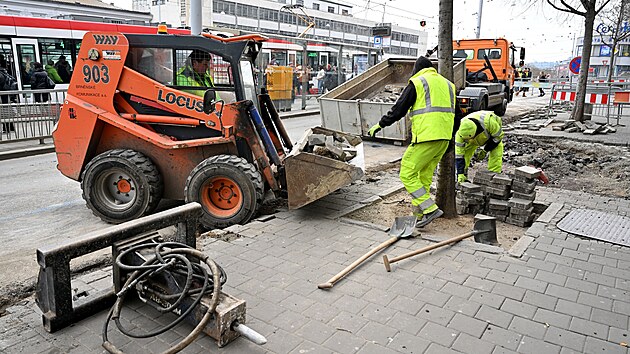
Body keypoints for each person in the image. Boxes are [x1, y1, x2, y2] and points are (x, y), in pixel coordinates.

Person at [367, 56, 456, 228]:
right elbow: (457, 115)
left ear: (416, 69)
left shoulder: (418, 82)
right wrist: (450, 139)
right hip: (443, 139)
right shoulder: (448, 85)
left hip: (426, 137)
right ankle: (418, 215)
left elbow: (399, 108)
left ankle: (430, 210)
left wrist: (380, 124)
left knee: (406, 173)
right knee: (424, 177)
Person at [455, 110, 504, 184]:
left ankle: (494, 178)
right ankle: (463, 177)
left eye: (470, 138)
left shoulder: (490, 122)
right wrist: (460, 173)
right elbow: (459, 155)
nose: (469, 140)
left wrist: (485, 150)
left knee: (496, 152)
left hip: (491, 136)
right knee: (465, 153)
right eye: (467, 139)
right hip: (472, 137)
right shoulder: (460, 134)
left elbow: (498, 138)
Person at [0, 58, 18, 132]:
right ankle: (9, 127)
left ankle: (7, 127)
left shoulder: (1, 74)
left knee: (4, 111)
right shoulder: (5, 72)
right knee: (6, 111)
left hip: (2, 95)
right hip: (6, 95)